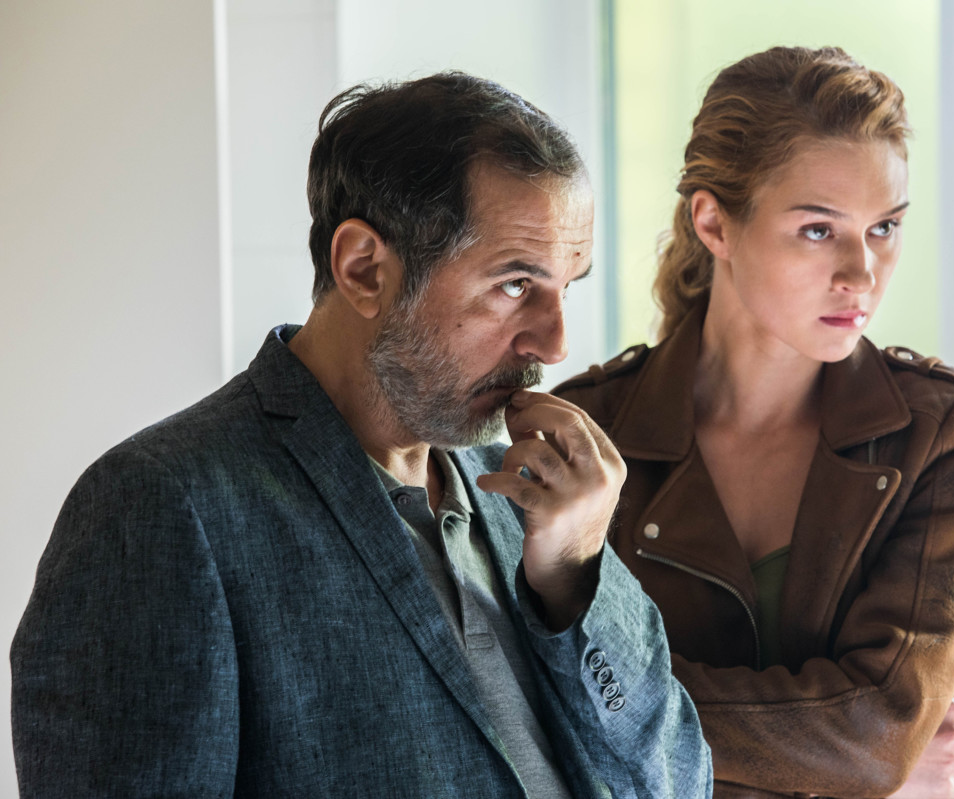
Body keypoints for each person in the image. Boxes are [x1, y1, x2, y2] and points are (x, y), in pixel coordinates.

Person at [11, 73, 711, 798]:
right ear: (364, 269)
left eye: (567, 287)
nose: (556, 343)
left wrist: (575, 578)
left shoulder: (528, 497)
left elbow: (677, 783)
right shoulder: (160, 508)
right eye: (513, 285)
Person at [554, 46, 954, 798]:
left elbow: (878, 732)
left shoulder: (944, 433)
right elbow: (542, 721)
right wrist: (856, 775)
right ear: (714, 223)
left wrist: (621, 707)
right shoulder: (588, 434)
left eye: (885, 227)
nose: (862, 273)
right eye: (819, 230)